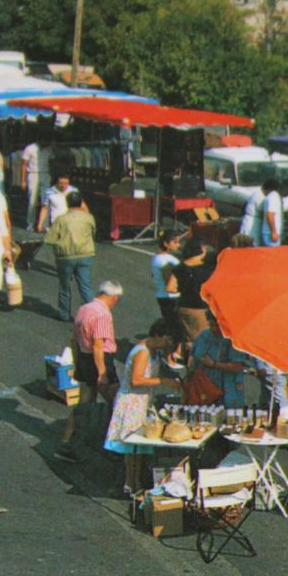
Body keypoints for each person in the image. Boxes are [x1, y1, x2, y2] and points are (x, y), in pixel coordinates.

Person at [103, 320, 180, 496]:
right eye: (167, 340)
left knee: (138, 449)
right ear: (158, 335)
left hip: (142, 403)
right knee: (132, 449)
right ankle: (131, 484)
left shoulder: (154, 351)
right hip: (131, 403)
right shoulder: (142, 352)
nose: (168, 344)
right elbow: (135, 380)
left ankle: (135, 483)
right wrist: (163, 381)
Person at [60, 280, 122, 460]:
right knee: (116, 402)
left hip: (84, 359)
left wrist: (77, 363)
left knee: (83, 404)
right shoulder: (103, 314)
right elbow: (98, 346)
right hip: (100, 361)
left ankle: (68, 441)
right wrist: (102, 373)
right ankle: (116, 444)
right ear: (113, 297)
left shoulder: (84, 309)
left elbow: (74, 339)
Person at [44, 190, 97, 321]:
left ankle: (64, 313)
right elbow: (93, 232)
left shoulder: (61, 219)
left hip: (65, 256)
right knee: (85, 286)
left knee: (64, 286)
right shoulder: (89, 218)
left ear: (67, 203)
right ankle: (91, 314)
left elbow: (50, 239)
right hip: (85, 254)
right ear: (81, 203)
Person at [190, 312, 251, 407]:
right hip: (206, 388)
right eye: (211, 325)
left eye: (217, 326)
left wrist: (213, 364)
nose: (214, 329)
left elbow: (237, 366)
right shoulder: (205, 335)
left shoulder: (234, 339)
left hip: (229, 390)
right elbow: (194, 357)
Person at [172, 241, 215, 344]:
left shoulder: (179, 267)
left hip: (183, 306)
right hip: (200, 308)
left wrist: (184, 289)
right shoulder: (208, 270)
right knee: (199, 341)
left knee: (188, 337)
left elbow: (170, 288)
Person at [151, 228, 183, 330]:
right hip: (171, 298)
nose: (178, 245)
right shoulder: (164, 260)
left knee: (171, 327)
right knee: (176, 329)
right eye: (175, 242)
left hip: (163, 296)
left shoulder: (157, 257)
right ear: (166, 243)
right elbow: (169, 281)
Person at [256, 178, 288, 247]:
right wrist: (273, 232)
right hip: (270, 233)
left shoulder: (277, 197)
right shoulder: (273, 197)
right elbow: (270, 215)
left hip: (273, 233)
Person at [19, 139, 42, 230]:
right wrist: (23, 180)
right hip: (33, 174)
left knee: (46, 200)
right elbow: (24, 165)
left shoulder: (49, 148)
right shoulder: (30, 148)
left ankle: (44, 225)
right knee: (32, 200)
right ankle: (30, 223)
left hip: (45, 173)